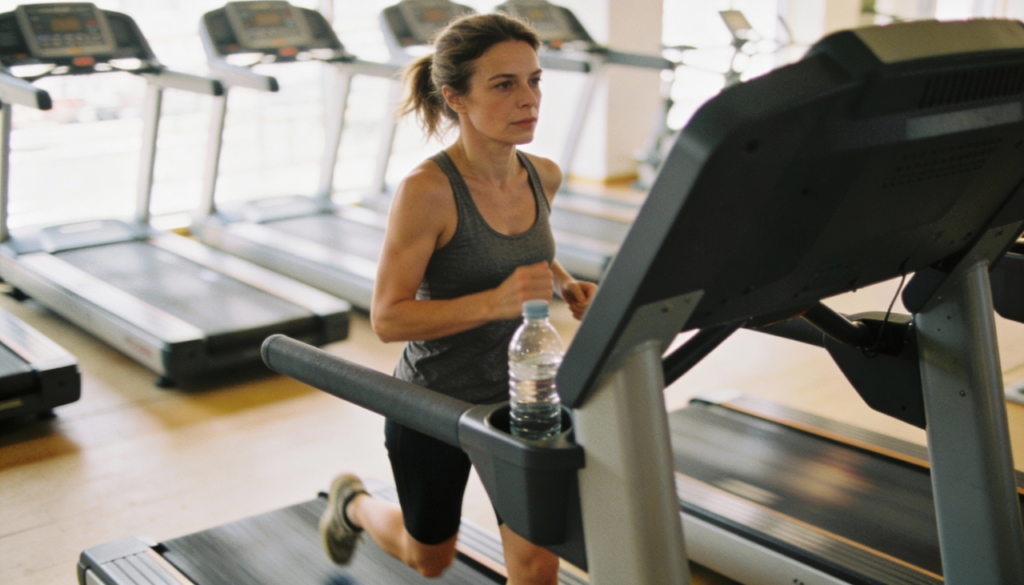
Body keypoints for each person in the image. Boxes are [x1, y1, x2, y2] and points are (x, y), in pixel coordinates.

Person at [317, 12, 596, 585]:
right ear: (456, 98)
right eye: (504, 84)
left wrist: (564, 283)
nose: (529, 98)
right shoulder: (428, 191)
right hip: (435, 403)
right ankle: (353, 505)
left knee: (538, 563)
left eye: (535, 80)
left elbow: (529, 249)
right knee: (431, 560)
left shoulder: (543, 175)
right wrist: (496, 302)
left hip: (526, 398)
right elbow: (388, 319)